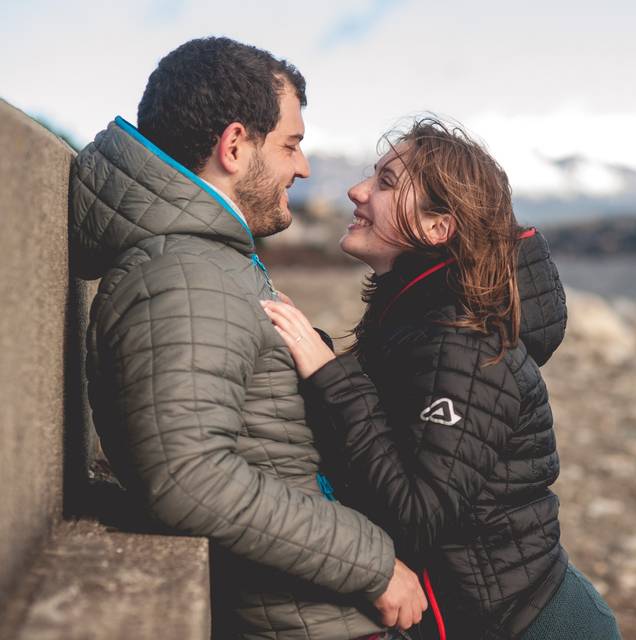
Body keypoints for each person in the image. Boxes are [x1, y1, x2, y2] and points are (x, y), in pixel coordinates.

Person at [69, 37, 426, 639]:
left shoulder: (202, 261)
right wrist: (372, 563)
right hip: (308, 621)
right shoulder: (186, 275)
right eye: (291, 145)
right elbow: (192, 476)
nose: (304, 168)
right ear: (235, 146)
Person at [262, 119, 622, 639]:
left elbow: (417, 515)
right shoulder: (414, 322)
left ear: (438, 228)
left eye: (385, 183)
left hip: (535, 626)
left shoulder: (463, 345)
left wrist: (330, 375)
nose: (356, 191)